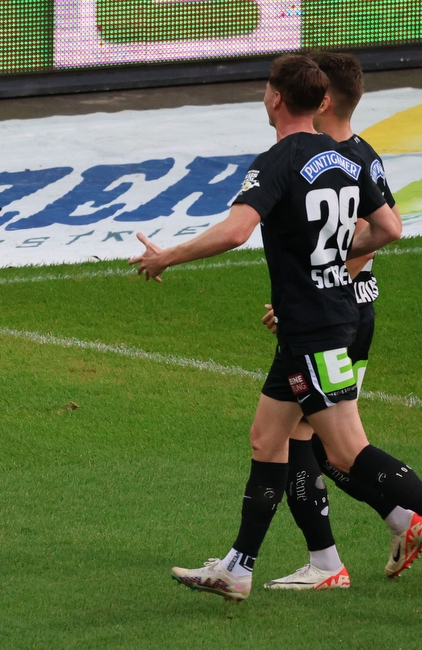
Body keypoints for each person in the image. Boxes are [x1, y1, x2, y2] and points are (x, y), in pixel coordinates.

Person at [129, 53, 414, 602]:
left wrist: (168, 258)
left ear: (278, 98)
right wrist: (330, 259)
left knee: (348, 452)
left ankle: (409, 518)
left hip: (314, 328)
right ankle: (238, 567)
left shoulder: (278, 160)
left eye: (266, 89)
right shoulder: (346, 158)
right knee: (267, 438)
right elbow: (386, 227)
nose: (264, 96)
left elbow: (237, 232)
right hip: (319, 321)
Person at [260, 51, 419, 591]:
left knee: (326, 446)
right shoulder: (361, 154)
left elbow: (376, 235)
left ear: (319, 98)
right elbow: (386, 227)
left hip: (333, 314)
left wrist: (314, 289)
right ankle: (352, 545)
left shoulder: (329, 158)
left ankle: (339, 554)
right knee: (297, 440)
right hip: (346, 309)